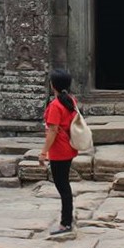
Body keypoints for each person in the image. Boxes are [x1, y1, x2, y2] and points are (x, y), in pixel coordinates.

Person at [39, 68, 79, 236]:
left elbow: (52, 132)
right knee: (64, 185)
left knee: (62, 186)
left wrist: (43, 153)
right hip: (68, 147)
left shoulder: (56, 105)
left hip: (59, 149)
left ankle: (66, 223)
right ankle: (68, 218)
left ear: (53, 85)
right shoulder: (70, 100)